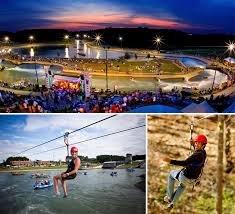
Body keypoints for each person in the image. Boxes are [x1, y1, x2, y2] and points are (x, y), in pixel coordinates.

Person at [163, 134, 207, 209]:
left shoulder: (196, 155)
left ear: (203, 145)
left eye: (199, 143)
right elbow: (197, 151)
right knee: (182, 186)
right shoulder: (203, 153)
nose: (196, 144)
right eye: (196, 142)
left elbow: (184, 163)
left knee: (171, 175)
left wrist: (170, 161)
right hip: (192, 181)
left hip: (184, 177)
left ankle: (170, 197)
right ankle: (172, 203)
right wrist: (193, 144)